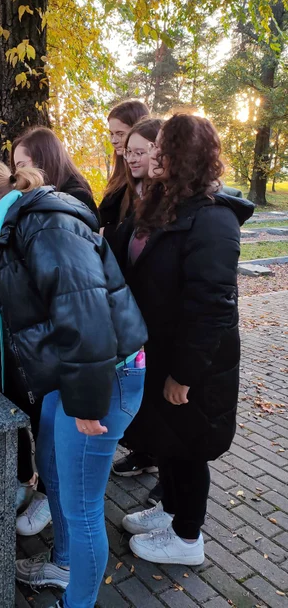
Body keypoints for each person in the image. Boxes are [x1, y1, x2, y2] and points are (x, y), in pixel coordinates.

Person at [0, 159, 147, 608]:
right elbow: (12, 312)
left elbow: (86, 316)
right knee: (52, 466)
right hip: (80, 375)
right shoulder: (19, 231)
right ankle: (66, 561)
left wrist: (87, 404)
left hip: (104, 376)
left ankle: (77, 598)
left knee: (82, 505)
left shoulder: (44, 228)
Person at [114, 114, 254, 565]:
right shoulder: (167, 202)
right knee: (169, 440)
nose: (150, 158)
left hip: (191, 365)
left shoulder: (213, 219)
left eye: (159, 152)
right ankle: (170, 510)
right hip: (160, 350)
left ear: (182, 158)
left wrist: (184, 374)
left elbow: (212, 307)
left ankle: (188, 538)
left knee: (190, 447)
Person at [0, 126, 100, 538]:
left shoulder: (47, 218)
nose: (17, 173)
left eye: (23, 165)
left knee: (78, 499)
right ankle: (61, 547)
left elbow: (80, 308)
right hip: (55, 358)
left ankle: (67, 569)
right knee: (51, 450)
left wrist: (85, 400)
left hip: (73, 365)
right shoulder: (28, 219)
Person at [108, 117, 164, 486]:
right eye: (127, 151)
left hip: (157, 314)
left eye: (139, 151)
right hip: (136, 309)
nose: (129, 157)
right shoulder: (133, 191)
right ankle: (145, 453)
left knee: (163, 396)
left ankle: (169, 486)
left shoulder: (165, 200)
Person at [98, 99, 149, 239]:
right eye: (111, 134)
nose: (114, 140)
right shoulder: (120, 172)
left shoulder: (145, 176)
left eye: (120, 134)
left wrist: (104, 233)